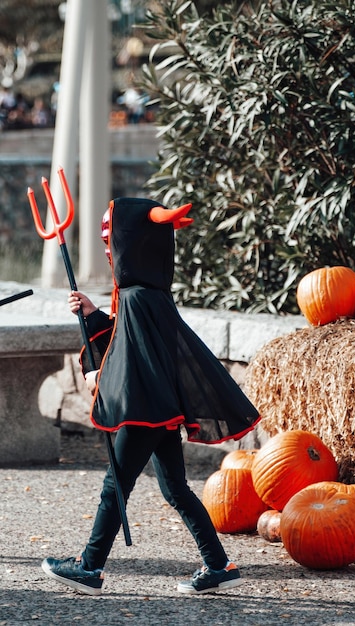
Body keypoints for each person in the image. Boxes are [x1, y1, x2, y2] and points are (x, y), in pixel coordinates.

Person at [41, 197, 261, 596]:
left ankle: (90, 567)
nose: (108, 251)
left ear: (130, 244)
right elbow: (128, 342)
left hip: (144, 411)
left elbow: (129, 360)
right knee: (175, 488)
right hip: (161, 409)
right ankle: (218, 564)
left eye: (112, 242)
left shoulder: (138, 298)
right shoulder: (146, 294)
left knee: (116, 486)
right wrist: (92, 314)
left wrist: (98, 375)